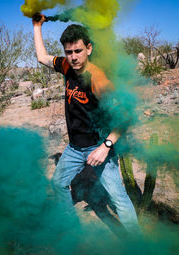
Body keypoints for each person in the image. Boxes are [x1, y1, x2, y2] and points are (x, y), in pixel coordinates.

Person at [32, 14, 140, 234]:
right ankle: (72, 229)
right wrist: (36, 26)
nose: (73, 57)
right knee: (58, 184)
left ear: (88, 49)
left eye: (78, 51)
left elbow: (126, 117)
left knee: (118, 197)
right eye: (69, 52)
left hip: (97, 147)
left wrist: (106, 146)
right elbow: (42, 57)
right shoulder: (66, 66)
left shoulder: (97, 79)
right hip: (74, 148)